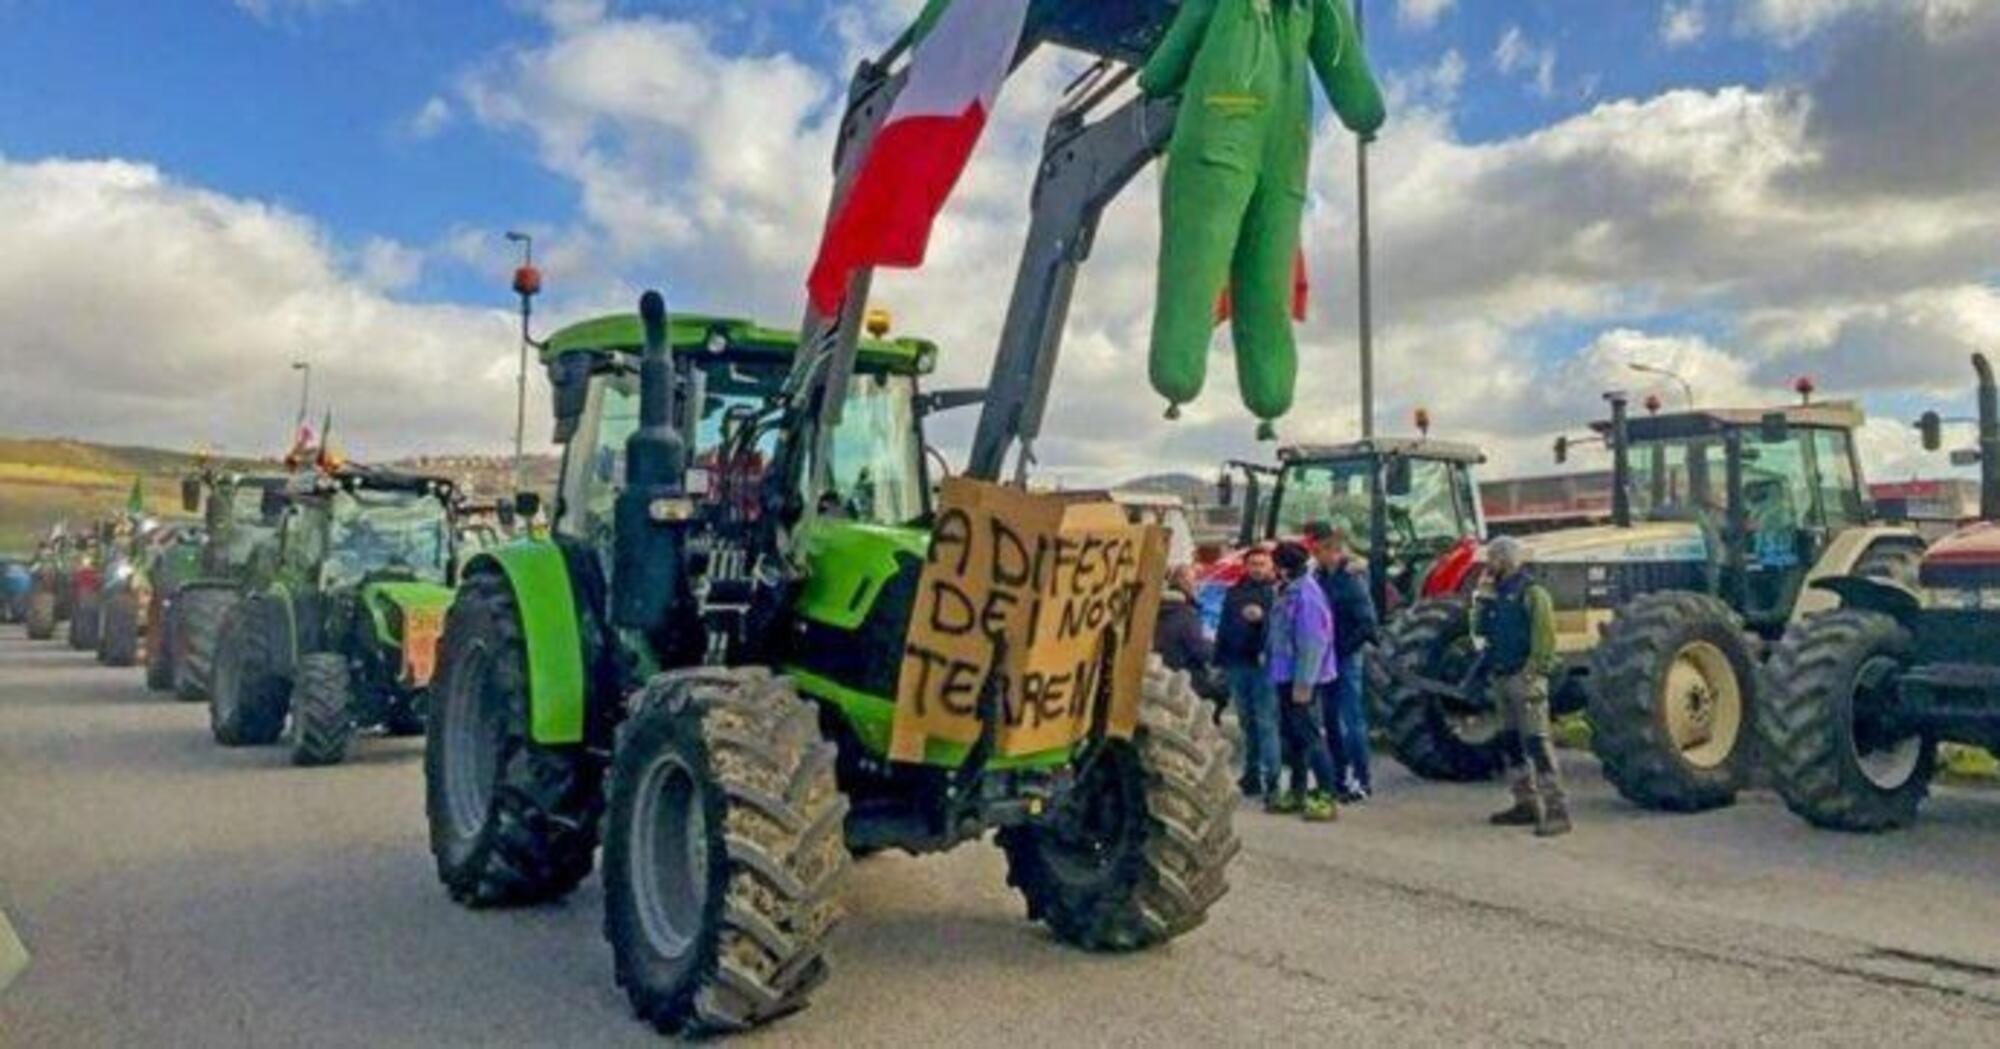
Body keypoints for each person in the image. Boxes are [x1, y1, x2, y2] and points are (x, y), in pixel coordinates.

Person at [1473, 536, 1570, 837]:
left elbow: (1545, 638)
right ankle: (1524, 802)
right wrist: (1483, 596)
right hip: (1502, 675)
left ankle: (1556, 810)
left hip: (1524, 678)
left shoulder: (1532, 593)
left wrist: (1533, 672)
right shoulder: (1496, 594)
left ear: (1505, 560)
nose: (1488, 564)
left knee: (1537, 743)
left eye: (1492, 559)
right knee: (1511, 743)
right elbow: (1479, 629)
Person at [1266, 541, 1341, 822]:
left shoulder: (1306, 596)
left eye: (1275, 565)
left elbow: (1313, 642)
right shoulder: (1287, 591)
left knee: (1310, 737)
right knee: (1291, 737)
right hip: (1284, 676)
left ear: (1283, 568)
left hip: (1301, 680)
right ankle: (1295, 792)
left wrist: (1304, 684)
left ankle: (1326, 795)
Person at [1306, 522, 1379, 803]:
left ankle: (1361, 780)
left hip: (1345, 657)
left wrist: (1341, 651)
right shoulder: (1320, 577)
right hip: (1326, 658)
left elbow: (1367, 624)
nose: (1314, 556)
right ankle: (1338, 778)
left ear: (1331, 551)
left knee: (1352, 722)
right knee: (1330, 721)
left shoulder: (1351, 581)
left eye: (1318, 550)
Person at [1216, 547, 1279, 797]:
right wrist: (1220, 659)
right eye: (1253, 563)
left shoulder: (1275, 594)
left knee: (1266, 723)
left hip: (1264, 666)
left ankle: (1272, 780)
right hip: (1237, 664)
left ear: (1270, 567)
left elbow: (1281, 629)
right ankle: (1251, 775)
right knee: (1247, 723)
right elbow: (1225, 625)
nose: (1257, 568)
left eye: (1262, 564)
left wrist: (1263, 619)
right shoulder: (1234, 593)